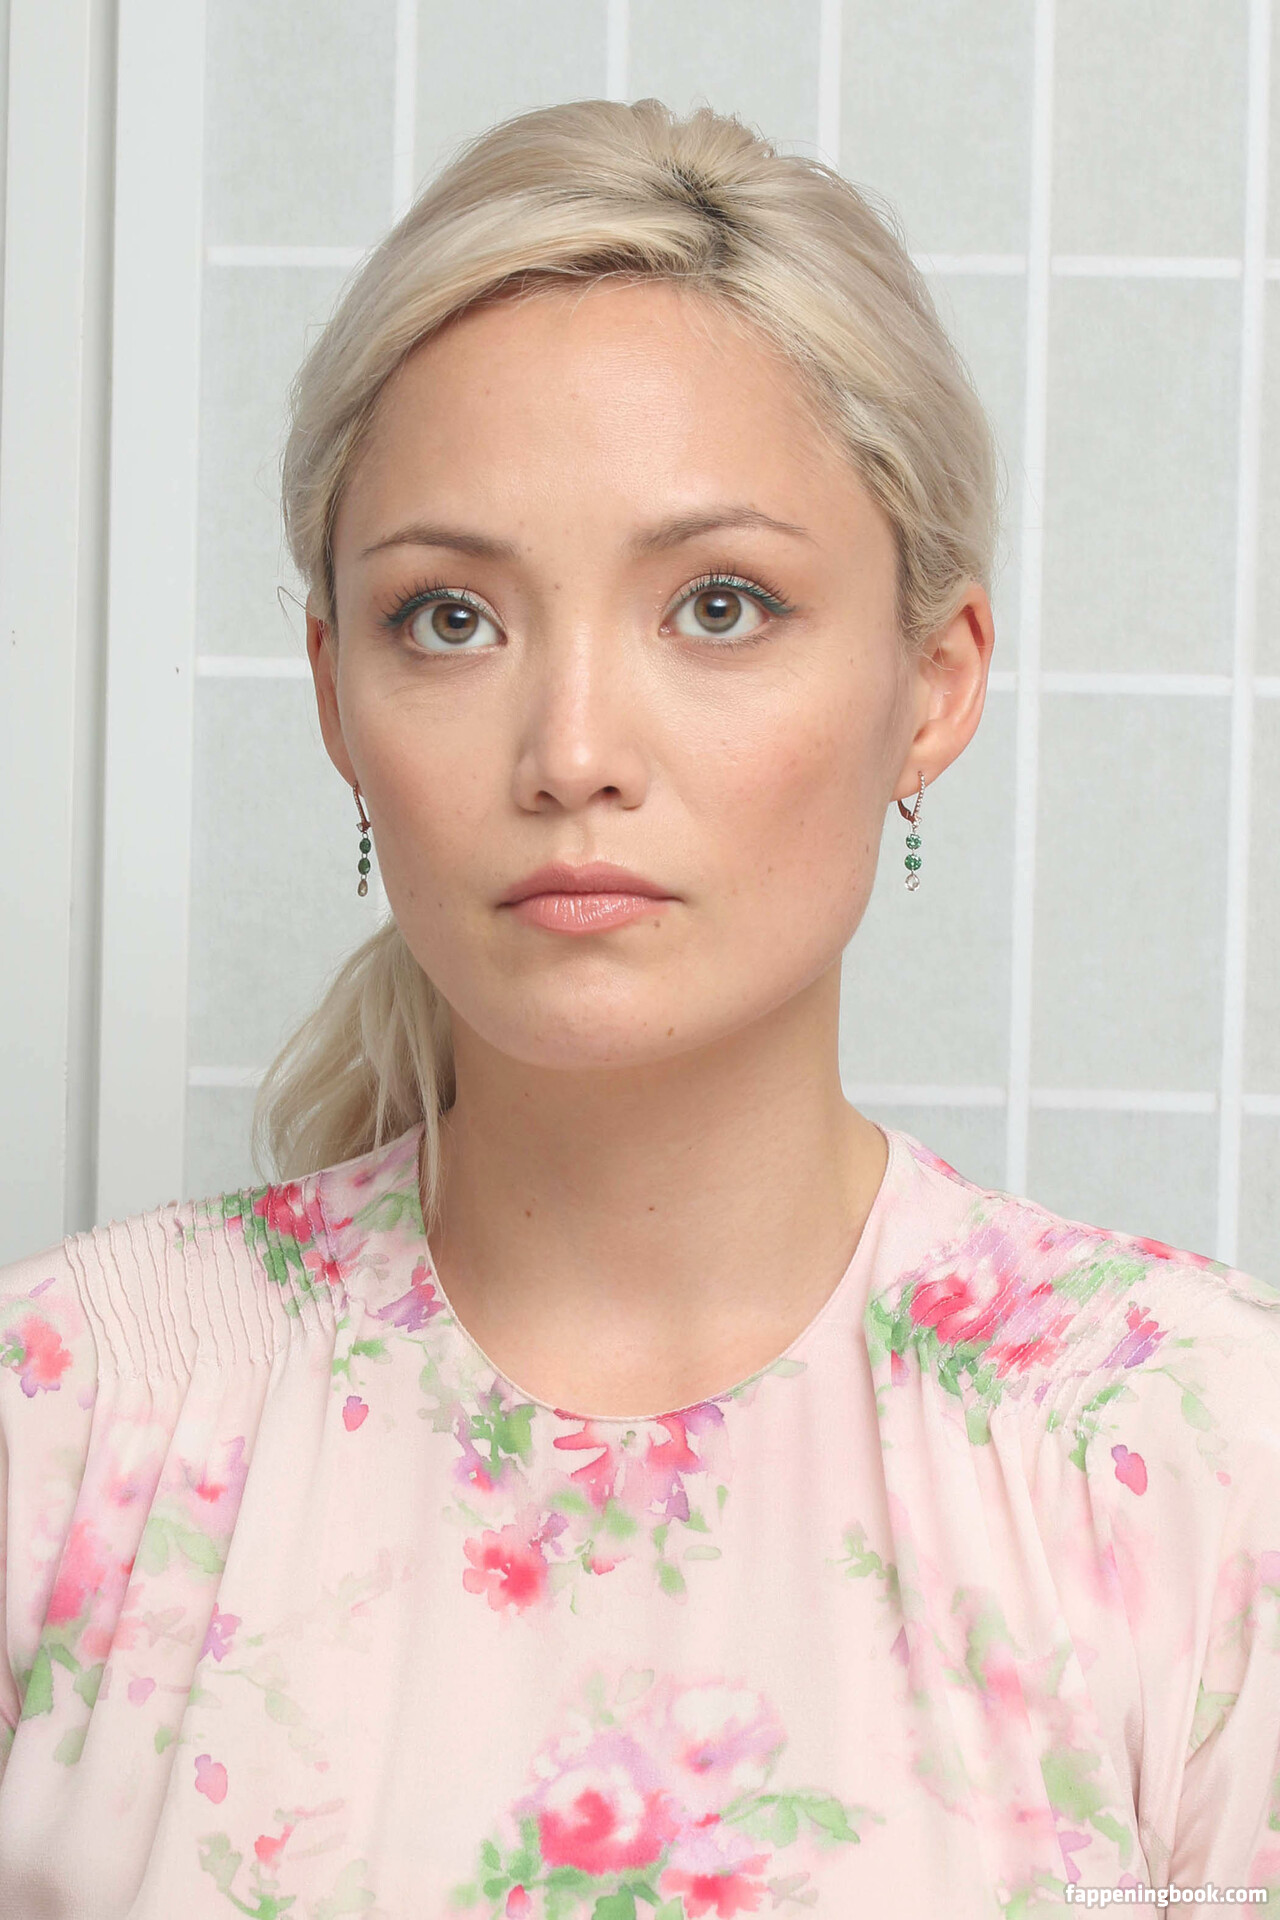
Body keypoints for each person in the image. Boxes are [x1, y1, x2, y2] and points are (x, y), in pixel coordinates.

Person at [0, 96, 1277, 1919]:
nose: (573, 750)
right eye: (450, 618)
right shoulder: (61, 1427)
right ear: (336, 696)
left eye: (720, 606)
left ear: (932, 682)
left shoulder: (1199, 1465)